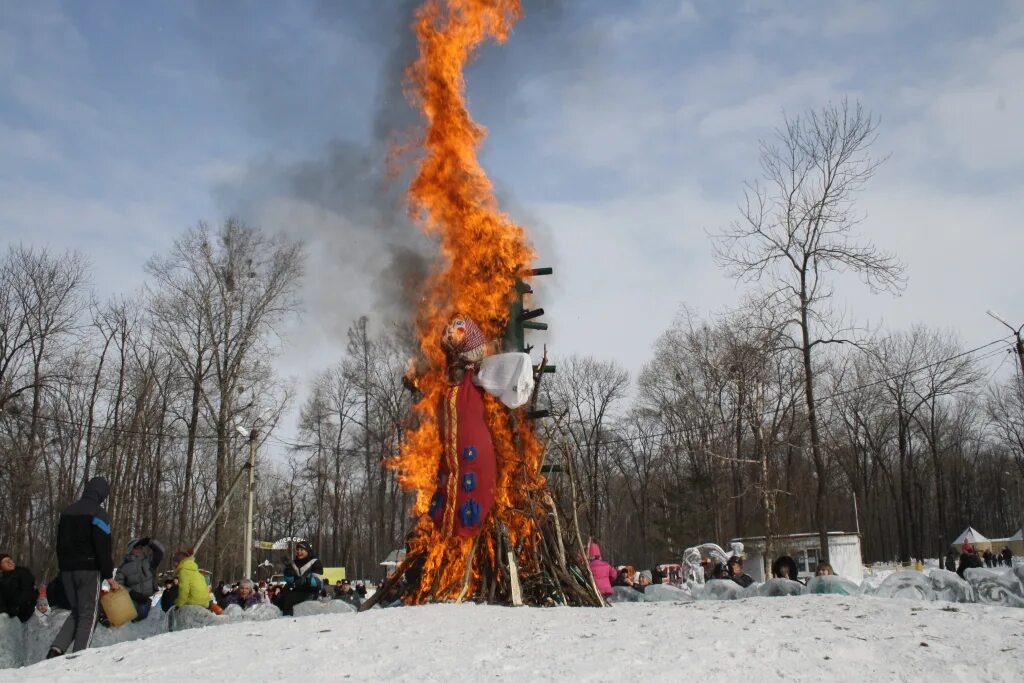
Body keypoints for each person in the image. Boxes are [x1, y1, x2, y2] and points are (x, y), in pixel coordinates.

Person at [48, 476, 119, 659]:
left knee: (78, 611)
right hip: (88, 569)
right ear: (102, 493)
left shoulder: (67, 512)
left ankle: (56, 649)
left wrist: (63, 567)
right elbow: (102, 546)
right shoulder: (98, 513)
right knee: (89, 614)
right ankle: (79, 656)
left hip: (67, 570)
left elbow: (59, 544)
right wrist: (108, 574)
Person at [114, 537, 164, 622]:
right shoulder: (123, 567)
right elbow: (118, 585)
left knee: (142, 614)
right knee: (129, 618)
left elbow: (160, 552)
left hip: (145, 600)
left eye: (141, 547)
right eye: (136, 547)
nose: (139, 550)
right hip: (131, 599)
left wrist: (149, 542)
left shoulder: (148, 562)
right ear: (130, 550)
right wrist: (132, 593)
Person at [274, 541, 324, 616]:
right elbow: (290, 580)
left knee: (289, 599)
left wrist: (306, 580)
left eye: (301, 549)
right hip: (298, 589)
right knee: (279, 599)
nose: (299, 551)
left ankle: (287, 620)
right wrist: (288, 569)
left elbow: (318, 582)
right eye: (297, 549)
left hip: (311, 591)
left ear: (307, 551)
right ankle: (275, 617)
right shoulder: (294, 563)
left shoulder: (315, 562)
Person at [0, 553, 37, 622]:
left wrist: (16, 606)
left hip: (24, 609)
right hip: (9, 611)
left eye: (10, 560)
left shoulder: (22, 572)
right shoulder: (2, 580)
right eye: (5, 561)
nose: (10, 562)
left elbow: (27, 590)